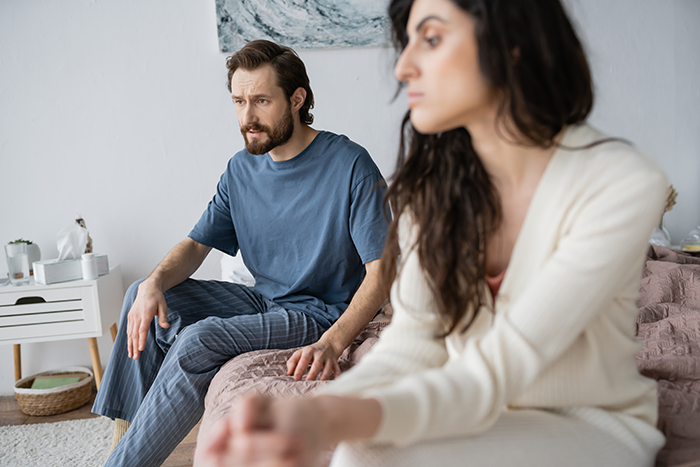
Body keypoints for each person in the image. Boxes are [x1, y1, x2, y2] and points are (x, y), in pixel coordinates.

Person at [195, 0, 669, 466]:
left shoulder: (617, 183)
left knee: (363, 441)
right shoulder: (432, 190)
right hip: (470, 408)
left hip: (584, 422)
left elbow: (503, 365)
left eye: (433, 39)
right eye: (408, 43)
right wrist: (315, 412)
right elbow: (411, 344)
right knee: (362, 446)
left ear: (510, 49)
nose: (403, 66)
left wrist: (327, 415)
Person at [92, 39, 389, 467]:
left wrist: (332, 342)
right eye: (238, 101)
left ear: (297, 99)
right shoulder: (241, 169)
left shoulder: (349, 164)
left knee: (197, 341)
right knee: (143, 292)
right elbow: (196, 245)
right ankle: (129, 439)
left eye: (261, 101)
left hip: (319, 312)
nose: (246, 117)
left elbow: (382, 271)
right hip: (262, 300)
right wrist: (155, 283)